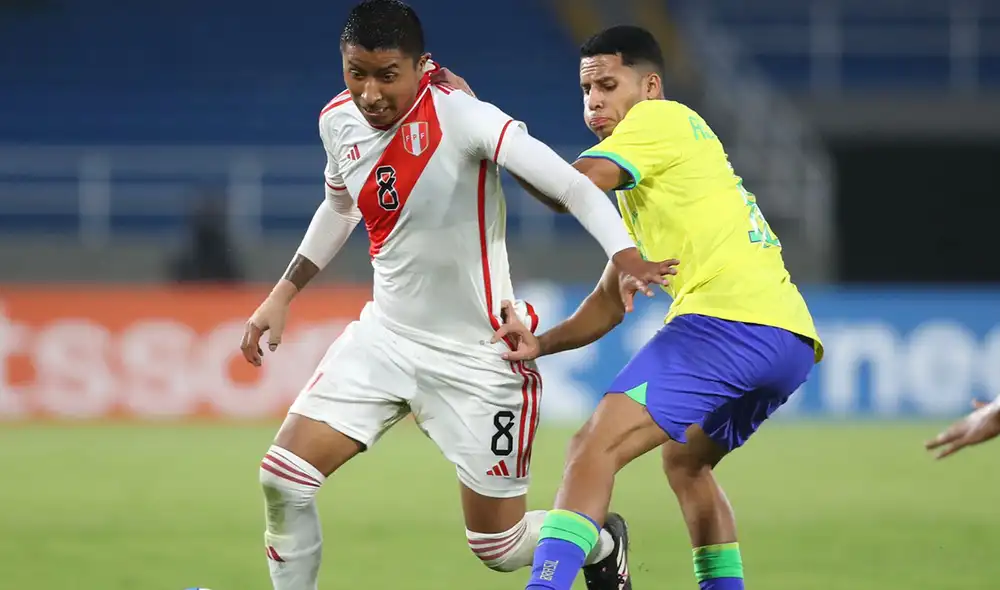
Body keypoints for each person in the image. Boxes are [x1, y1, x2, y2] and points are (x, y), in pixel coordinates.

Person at [238, 4, 677, 590]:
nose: (369, 93)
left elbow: (572, 186)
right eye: (356, 73)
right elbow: (341, 206)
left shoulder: (466, 117)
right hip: (386, 339)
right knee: (283, 478)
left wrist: (625, 254)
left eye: (387, 75)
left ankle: (601, 542)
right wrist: (283, 292)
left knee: (499, 546)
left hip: (480, 357)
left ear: (421, 66)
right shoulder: (337, 120)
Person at [448, 25, 823, 590]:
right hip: (788, 340)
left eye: (607, 85)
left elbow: (570, 188)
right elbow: (608, 302)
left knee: (591, 449)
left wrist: (490, 131)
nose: (594, 101)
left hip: (728, 323)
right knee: (686, 463)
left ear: (649, 87)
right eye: (586, 90)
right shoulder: (652, 176)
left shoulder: (658, 120)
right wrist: (542, 344)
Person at [926, 398, 1000, 459]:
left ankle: (941, 449)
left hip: (990, 421)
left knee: (963, 440)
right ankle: (937, 443)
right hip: (986, 415)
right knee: (953, 435)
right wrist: (987, 408)